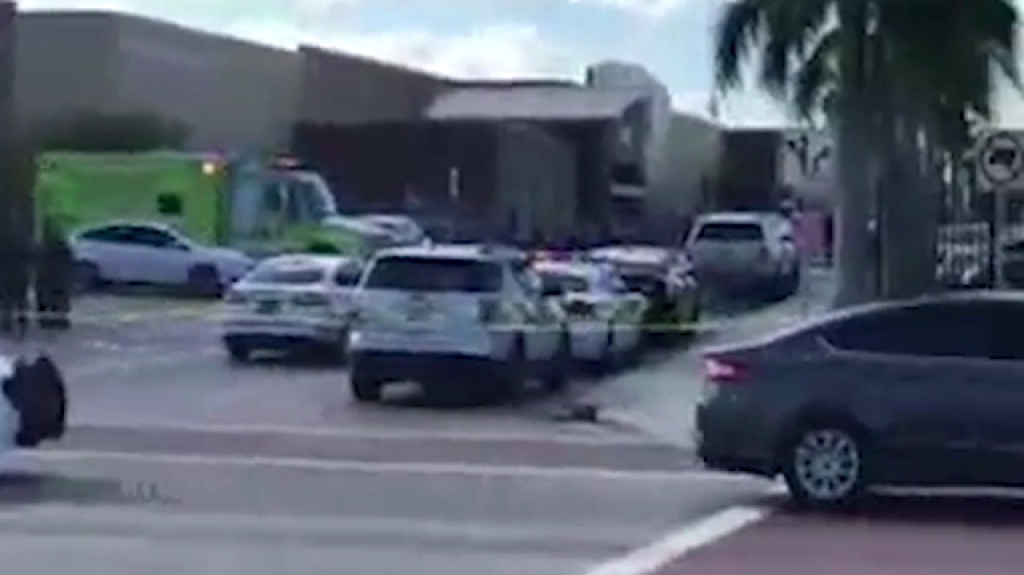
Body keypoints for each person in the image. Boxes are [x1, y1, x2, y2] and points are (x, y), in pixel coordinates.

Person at [35, 218, 73, 330]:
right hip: (57, 278)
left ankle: (48, 321)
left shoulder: (42, 247)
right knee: (58, 299)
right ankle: (58, 321)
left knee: (47, 299)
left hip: (48, 277)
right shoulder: (63, 247)